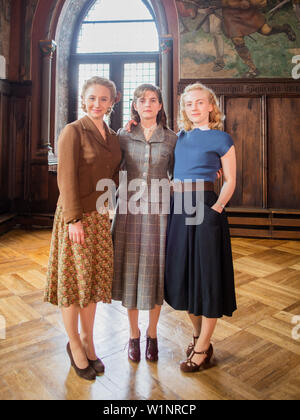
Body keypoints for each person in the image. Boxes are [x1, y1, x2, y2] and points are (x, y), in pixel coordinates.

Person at [44, 77, 122, 380]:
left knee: (91, 283)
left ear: (113, 102)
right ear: (83, 99)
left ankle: (90, 342)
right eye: (92, 98)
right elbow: (65, 178)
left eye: (104, 99)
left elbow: (115, 174)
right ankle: (74, 343)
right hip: (75, 217)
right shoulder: (73, 131)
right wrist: (74, 220)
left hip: (101, 216)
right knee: (73, 283)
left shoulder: (114, 136)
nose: (97, 104)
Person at [164, 82, 237, 372]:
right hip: (178, 210)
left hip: (206, 207)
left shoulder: (222, 138)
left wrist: (217, 208)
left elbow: (230, 179)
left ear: (210, 106)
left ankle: (203, 347)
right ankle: (197, 337)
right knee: (182, 276)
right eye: (188, 103)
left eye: (199, 102)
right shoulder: (179, 138)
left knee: (207, 277)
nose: (193, 107)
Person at [112, 84, 177, 363]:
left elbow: (180, 171)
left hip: (160, 213)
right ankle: (133, 335)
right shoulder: (122, 136)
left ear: (160, 106)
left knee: (155, 270)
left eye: (153, 100)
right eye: (142, 100)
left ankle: (152, 334)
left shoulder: (172, 139)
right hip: (128, 210)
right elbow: (110, 168)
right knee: (130, 270)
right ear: (135, 106)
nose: (148, 104)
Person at [222, 0, 296, 77]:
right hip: (231, 14)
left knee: (266, 31)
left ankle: (285, 28)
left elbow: (262, 2)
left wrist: (257, 2)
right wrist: (236, 3)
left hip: (248, 11)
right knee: (237, 40)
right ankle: (253, 69)